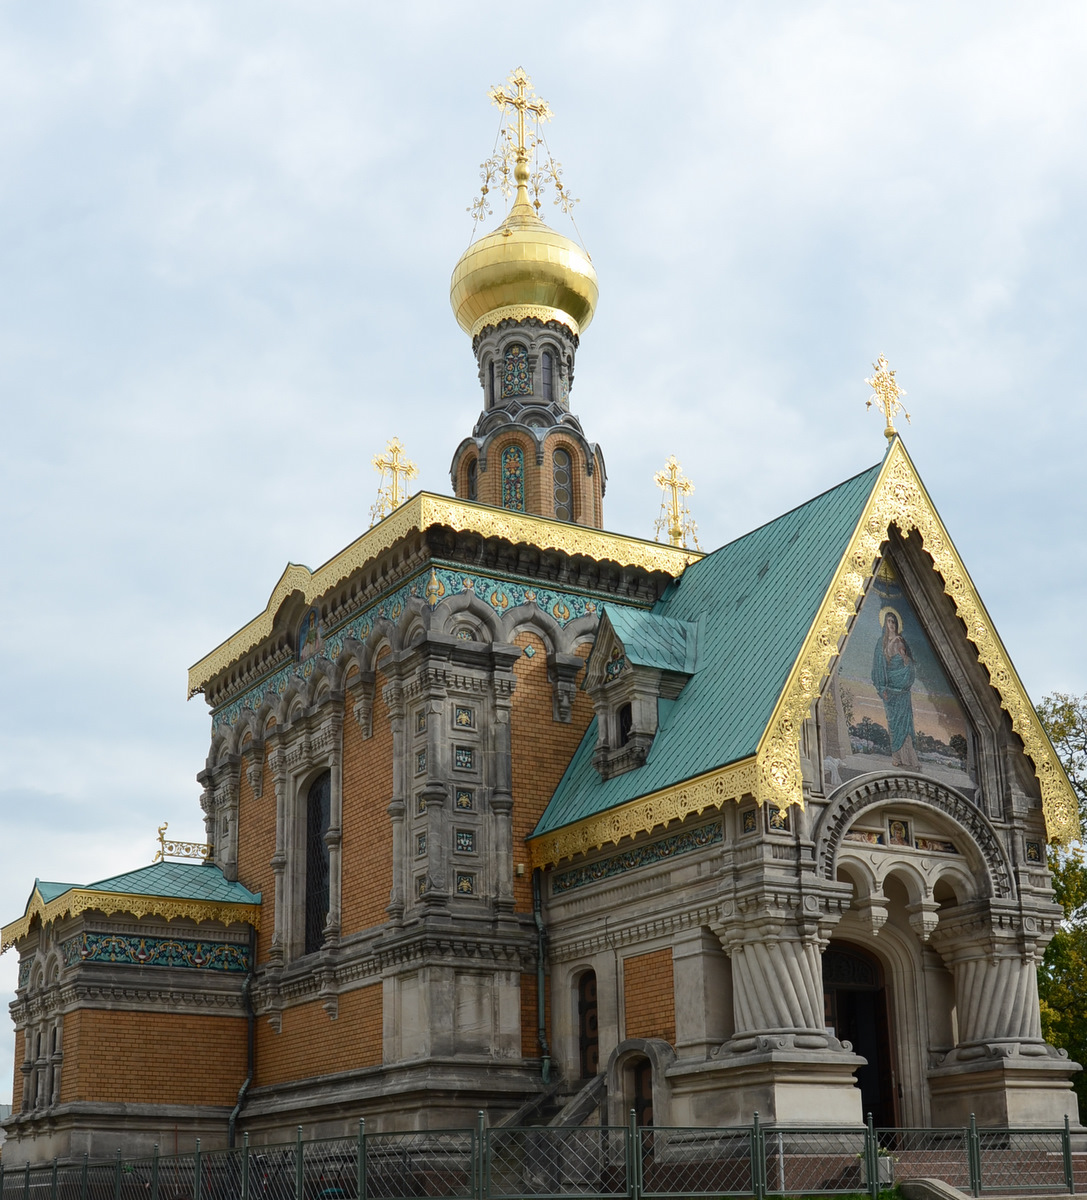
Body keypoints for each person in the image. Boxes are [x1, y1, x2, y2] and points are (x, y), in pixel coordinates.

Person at [871, 610, 919, 769]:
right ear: (885, 623)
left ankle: (909, 758)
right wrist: (882, 688)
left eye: (893, 622)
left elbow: (908, 664)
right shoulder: (881, 643)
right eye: (889, 621)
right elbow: (878, 667)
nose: (891, 624)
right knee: (893, 723)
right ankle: (897, 757)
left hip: (903, 691)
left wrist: (905, 659)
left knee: (905, 724)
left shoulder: (901, 641)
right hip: (890, 690)